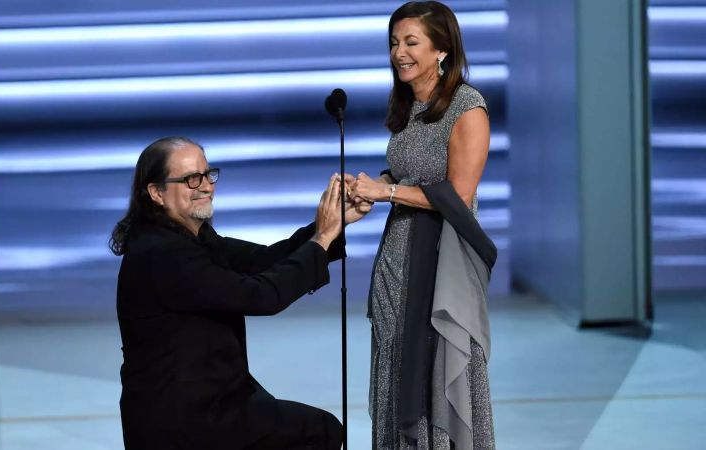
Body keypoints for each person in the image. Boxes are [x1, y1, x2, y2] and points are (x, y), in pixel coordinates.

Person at [110, 136, 370, 449]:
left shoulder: (190, 240)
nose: (205, 186)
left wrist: (330, 227)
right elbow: (261, 296)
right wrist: (322, 237)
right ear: (156, 193)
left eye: (208, 174)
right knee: (318, 431)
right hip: (185, 421)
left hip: (213, 405)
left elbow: (262, 261)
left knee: (316, 429)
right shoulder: (164, 255)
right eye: (191, 179)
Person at [346, 2, 497, 449]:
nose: (399, 52)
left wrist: (387, 193)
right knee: (395, 369)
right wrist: (370, 185)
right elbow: (411, 173)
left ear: (442, 51)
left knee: (436, 370)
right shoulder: (412, 106)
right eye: (394, 42)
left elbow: (459, 196)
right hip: (396, 266)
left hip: (439, 268)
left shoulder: (468, 107)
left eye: (411, 42)